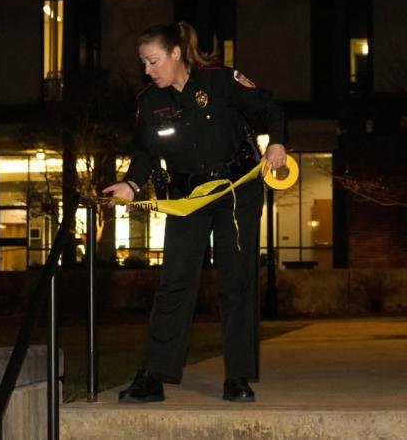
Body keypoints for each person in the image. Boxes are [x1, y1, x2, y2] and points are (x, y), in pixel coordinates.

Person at [103, 21, 287, 403]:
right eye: (143, 63)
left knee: (237, 282)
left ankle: (237, 377)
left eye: (153, 61)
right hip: (188, 198)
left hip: (237, 192)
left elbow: (269, 107)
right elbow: (145, 151)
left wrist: (277, 143)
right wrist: (131, 183)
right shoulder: (150, 102)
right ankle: (153, 377)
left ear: (175, 53)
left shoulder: (219, 81)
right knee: (174, 282)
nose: (147, 70)